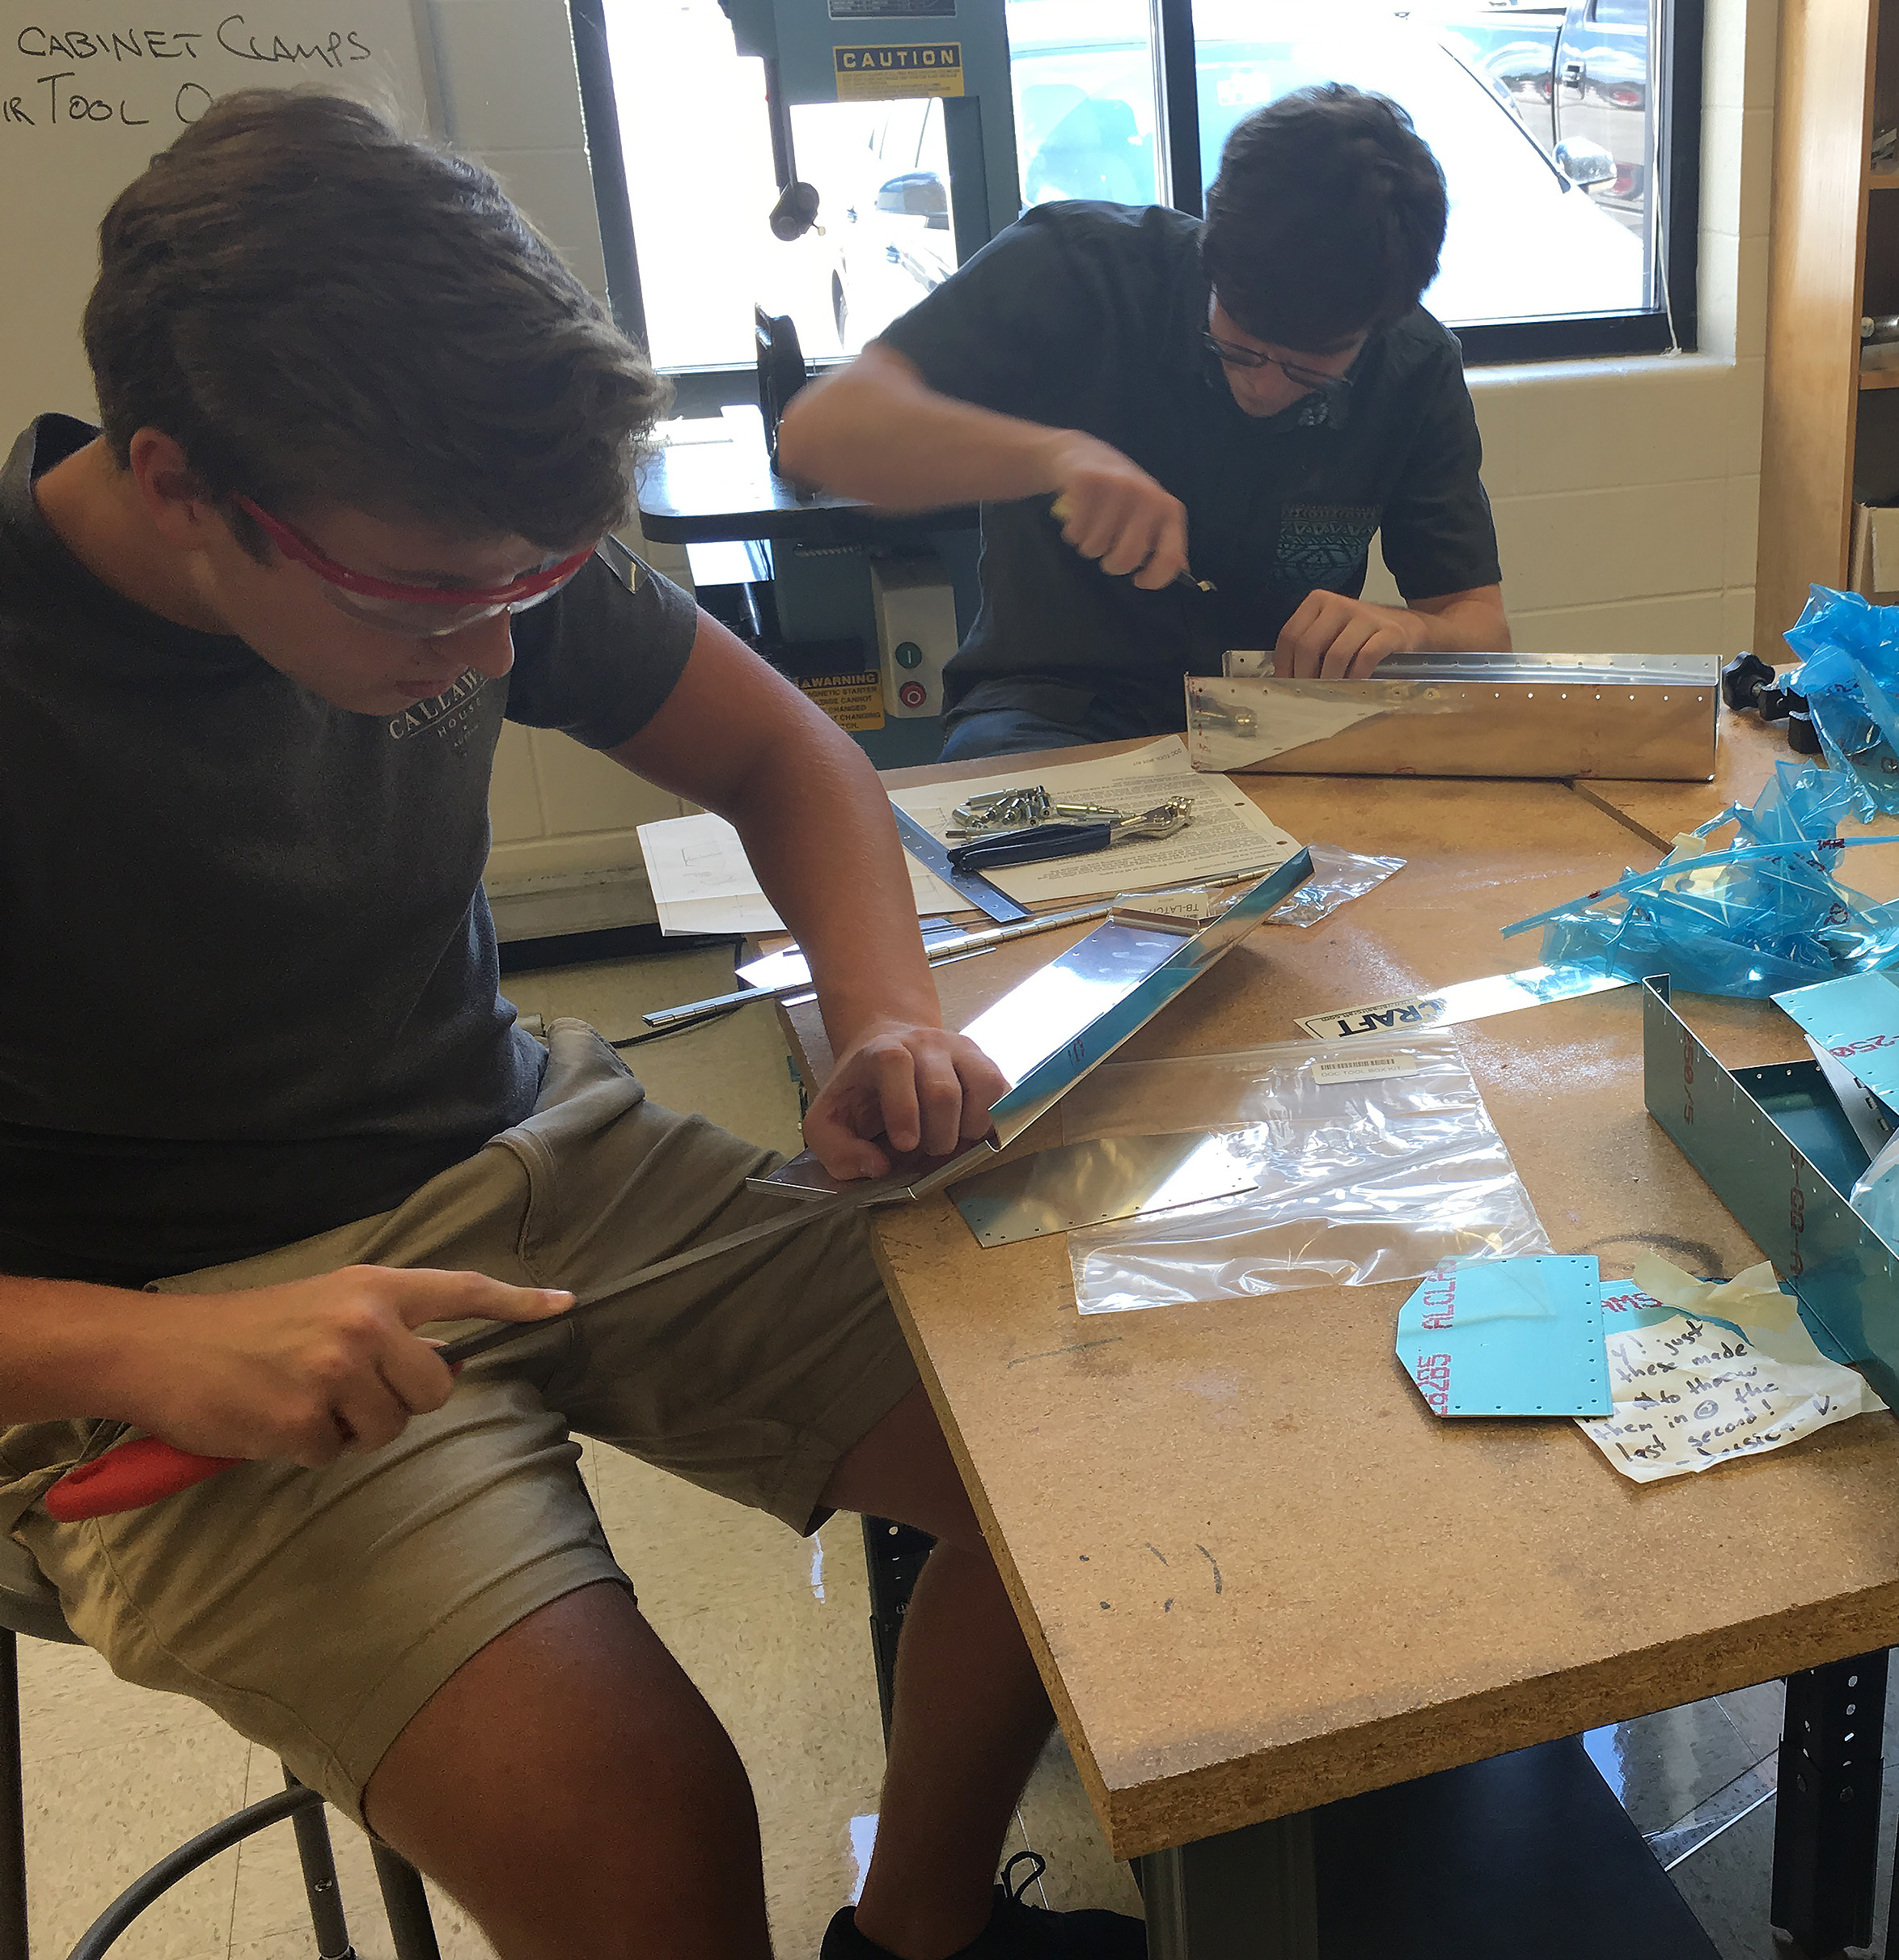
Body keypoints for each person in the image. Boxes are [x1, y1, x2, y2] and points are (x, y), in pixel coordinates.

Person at [0, 91, 1131, 1960]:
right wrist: (157, 1352)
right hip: (149, 1337)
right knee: (645, 1840)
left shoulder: (459, 537)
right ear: (179, 482)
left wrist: (882, 1023)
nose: (504, 654)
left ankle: (918, 1932)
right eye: (441, 599)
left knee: (1092, 1417)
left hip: (528, 1160)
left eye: (533, 586)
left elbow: (790, 754)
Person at [779, 83, 1511, 760]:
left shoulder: (1416, 365)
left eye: (1305, 371)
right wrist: (1052, 456)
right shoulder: (1079, 268)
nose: (1261, 387)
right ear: (1211, 256)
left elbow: (1479, 627)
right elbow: (819, 436)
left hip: (1277, 719)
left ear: (1380, 322)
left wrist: (1411, 630)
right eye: (1237, 345)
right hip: (1051, 711)